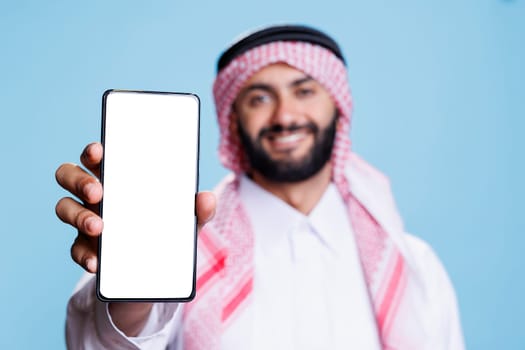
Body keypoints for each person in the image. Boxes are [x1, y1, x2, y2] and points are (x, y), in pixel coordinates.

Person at [55, 24, 465, 349]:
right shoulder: (184, 250)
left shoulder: (414, 266)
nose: (285, 116)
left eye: (305, 91)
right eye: (260, 98)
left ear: (338, 107)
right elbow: (103, 343)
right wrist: (130, 287)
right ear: (232, 121)